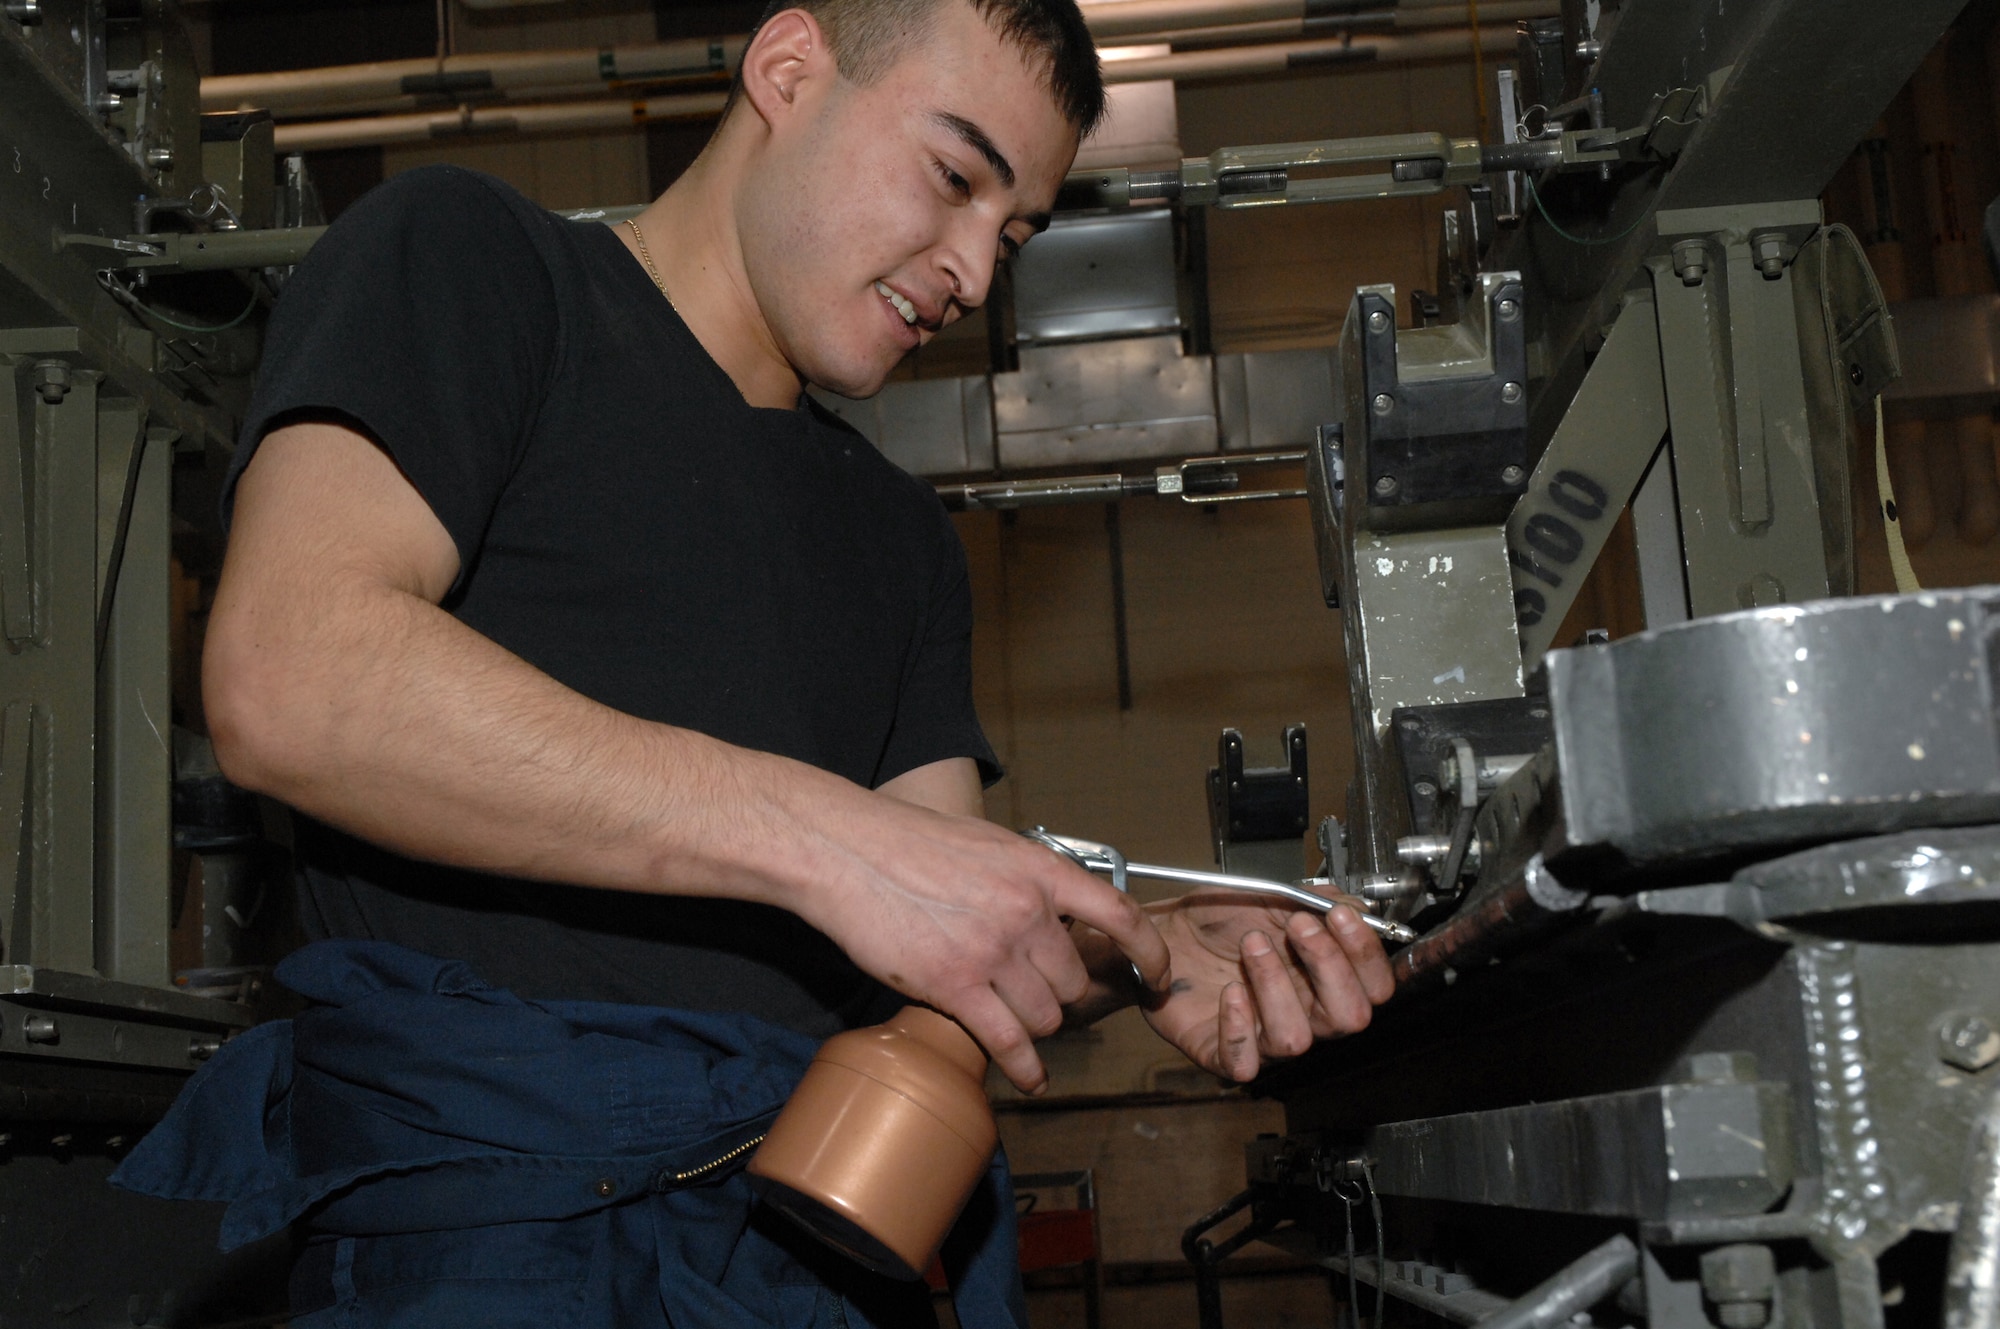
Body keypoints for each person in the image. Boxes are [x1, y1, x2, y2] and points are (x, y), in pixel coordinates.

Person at [114, 0, 1395, 1324]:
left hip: (803, 1255)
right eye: (954, 178)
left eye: (1009, 236)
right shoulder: (475, 265)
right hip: (495, 1248)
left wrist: (1152, 950)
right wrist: (826, 841)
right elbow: (292, 673)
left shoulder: (901, 540)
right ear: (789, 68)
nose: (971, 271)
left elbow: (939, 933)